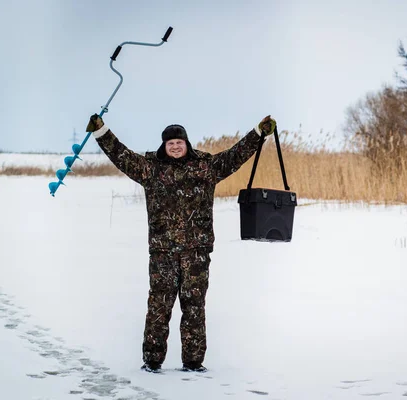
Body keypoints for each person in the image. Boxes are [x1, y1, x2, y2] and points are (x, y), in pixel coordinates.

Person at [85, 114, 276, 373]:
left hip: (196, 252)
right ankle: (152, 361)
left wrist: (258, 132)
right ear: (164, 146)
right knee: (159, 306)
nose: (175, 147)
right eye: (170, 143)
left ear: (187, 143)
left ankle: (193, 362)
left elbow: (234, 156)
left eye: (179, 142)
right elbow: (122, 156)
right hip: (163, 252)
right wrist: (101, 132)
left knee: (194, 306)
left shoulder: (205, 167)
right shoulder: (149, 169)